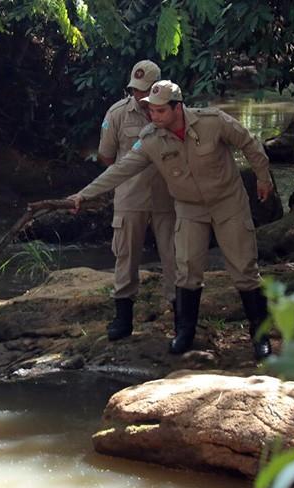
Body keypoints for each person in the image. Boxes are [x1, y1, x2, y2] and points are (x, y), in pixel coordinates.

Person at [68, 80, 274, 361]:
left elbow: (248, 142)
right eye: (151, 111)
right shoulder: (151, 138)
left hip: (228, 204)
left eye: (160, 111)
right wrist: (84, 194)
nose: (154, 116)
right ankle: (185, 333)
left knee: (244, 268)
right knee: (187, 269)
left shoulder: (212, 121)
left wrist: (263, 178)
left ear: (178, 107)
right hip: (189, 208)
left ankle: (260, 336)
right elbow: (121, 169)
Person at [97, 60, 176, 341]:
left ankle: (181, 317)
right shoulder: (117, 114)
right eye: (136, 90)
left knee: (174, 256)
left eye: (145, 91)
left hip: (167, 196)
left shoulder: (170, 110)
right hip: (130, 196)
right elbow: (106, 156)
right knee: (126, 256)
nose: (140, 97)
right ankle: (123, 318)